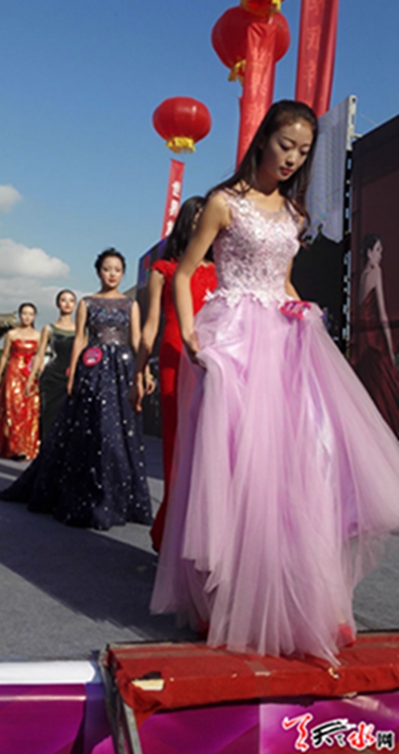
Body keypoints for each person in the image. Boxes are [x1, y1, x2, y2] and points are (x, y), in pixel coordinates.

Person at [151, 100, 399, 665]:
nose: (292, 158)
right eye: (286, 144)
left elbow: (282, 281)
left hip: (284, 340)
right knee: (237, 467)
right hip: (233, 338)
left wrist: (303, 313)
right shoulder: (223, 203)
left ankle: (302, 598)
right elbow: (184, 274)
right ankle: (226, 598)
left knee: (297, 468)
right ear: (264, 138)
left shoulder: (292, 213)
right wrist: (192, 337)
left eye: (304, 151)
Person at [0, 248, 152, 531]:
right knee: (95, 429)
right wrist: (73, 374)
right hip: (94, 369)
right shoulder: (87, 303)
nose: (112, 274)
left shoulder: (131, 305)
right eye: (107, 269)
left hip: (122, 369)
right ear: (98, 272)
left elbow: (138, 338)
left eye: (117, 269)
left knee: (119, 433)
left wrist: (144, 371)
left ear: (123, 273)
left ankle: (116, 497)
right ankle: (91, 494)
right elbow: (80, 338)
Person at [131, 197, 217, 551]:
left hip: (213, 359)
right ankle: (172, 535)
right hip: (174, 358)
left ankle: (207, 538)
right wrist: (138, 373)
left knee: (211, 448)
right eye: (198, 220)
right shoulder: (163, 270)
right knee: (178, 446)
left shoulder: (222, 271)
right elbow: (150, 327)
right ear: (186, 224)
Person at [355, 234, 399, 435]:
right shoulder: (375, 273)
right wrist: (390, 348)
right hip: (376, 342)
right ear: (369, 252)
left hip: (364, 342)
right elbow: (382, 314)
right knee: (388, 393)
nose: (381, 255)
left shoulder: (362, 276)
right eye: (378, 250)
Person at [0, 303, 41, 460]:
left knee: (28, 410)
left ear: (34, 317)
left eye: (30, 314)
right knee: (13, 409)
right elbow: (4, 356)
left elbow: (39, 357)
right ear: (20, 315)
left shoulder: (38, 336)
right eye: (24, 313)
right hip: (13, 372)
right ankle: (14, 447)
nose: (27, 317)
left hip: (30, 374)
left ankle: (25, 446)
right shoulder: (11, 334)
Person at [26, 289, 76, 440]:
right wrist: (31, 378)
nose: (67, 304)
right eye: (63, 300)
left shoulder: (80, 330)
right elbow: (39, 355)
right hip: (52, 378)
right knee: (49, 416)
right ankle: (46, 450)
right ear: (57, 304)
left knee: (70, 418)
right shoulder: (49, 329)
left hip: (72, 377)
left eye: (71, 300)